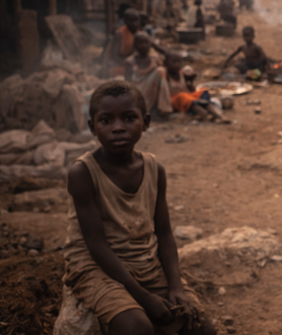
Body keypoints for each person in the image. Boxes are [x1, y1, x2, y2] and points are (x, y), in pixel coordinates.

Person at [62, 80, 215, 335]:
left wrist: (176, 286)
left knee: (201, 327)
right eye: (106, 120)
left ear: (145, 122)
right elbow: (96, 246)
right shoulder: (83, 173)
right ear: (92, 127)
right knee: (137, 327)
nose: (118, 128)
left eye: (129, 118)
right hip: (96, 266)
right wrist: (144, 297)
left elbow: (164, 233)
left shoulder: (155, 170)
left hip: (145, 261)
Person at [165, 53, 228, 123]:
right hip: (175, 100)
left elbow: (190, 89)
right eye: (174, 62)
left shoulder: (181, 74)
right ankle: (204, 114)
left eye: (179, 62)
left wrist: (191, 83)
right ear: (166, 63)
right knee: (182, 96)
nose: (177, 65)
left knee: (203, 92)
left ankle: (220, 116)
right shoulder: (165, 75)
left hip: (188, 98)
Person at [125, 32, 172, 117]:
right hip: (138, 95)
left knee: (161, 71)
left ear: (150, 44)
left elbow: (169, 54)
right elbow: (127, 83)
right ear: (135, 45)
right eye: (140, 43)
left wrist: (155, 46)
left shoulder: (155, 59)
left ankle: (163, 110)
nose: (143, 46)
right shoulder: (130, 61)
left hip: (152, 94)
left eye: (146, 42)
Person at [103, 8, 140, 78]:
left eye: (136, 20)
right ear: (125, 21)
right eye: (131, 20)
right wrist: (128, 63)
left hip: (132, 63)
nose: (134, 23)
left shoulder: (139, 34)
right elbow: (114, 55)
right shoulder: (119, 34)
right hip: (118, 63)